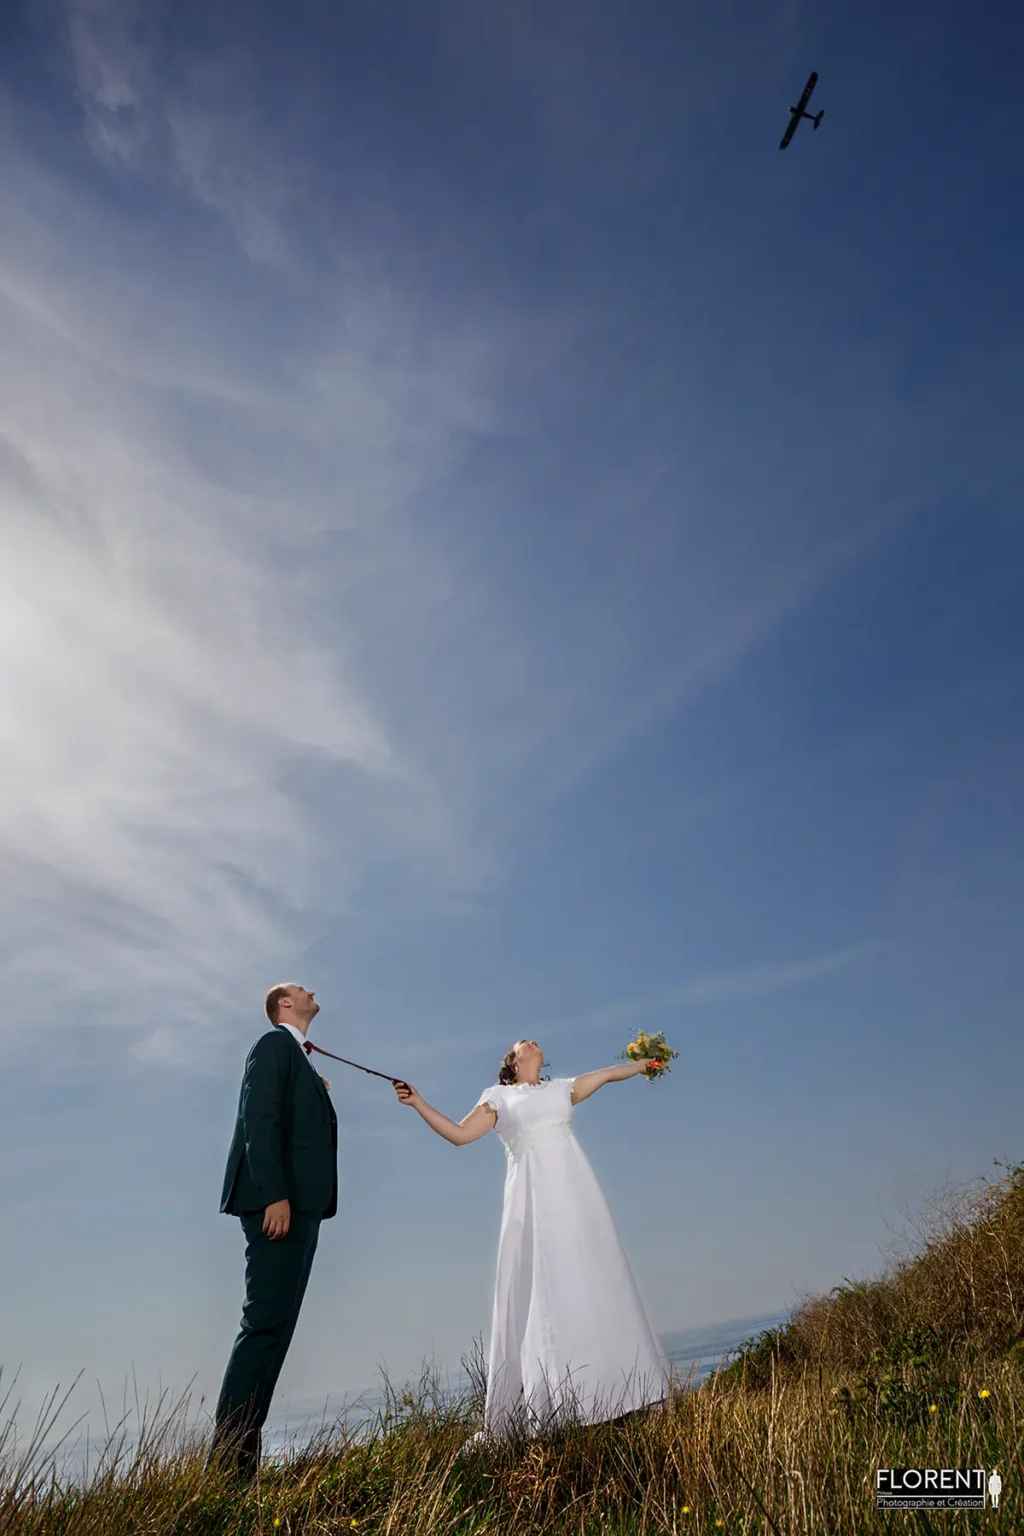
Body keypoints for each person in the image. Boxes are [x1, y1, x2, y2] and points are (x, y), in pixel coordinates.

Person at [394, 1039, 670, 1436]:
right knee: (545, 1292)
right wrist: (419, 1102)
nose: (533, 1041)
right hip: (534, 1202)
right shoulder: (500, 1098)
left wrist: (646, 1063)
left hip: (577, 1196)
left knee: (595, 1280)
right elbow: (458, 1134)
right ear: (513, 1060)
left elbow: (610, 1074)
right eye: (523, 1042)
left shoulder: (562, 1089)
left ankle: (621, 1394)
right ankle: (564, 1407)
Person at [207, 984, 338, 1481]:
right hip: (279, 1207)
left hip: (303, 1208)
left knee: (275, 1335)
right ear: (284, 1004)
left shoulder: (298, 1058)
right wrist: (273, 1195)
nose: (311, 991)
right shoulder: (273, 1045)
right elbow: (256, 1119)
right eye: (301, 989)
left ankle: (242, 1467)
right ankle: (226, 1471)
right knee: (262, 1329)